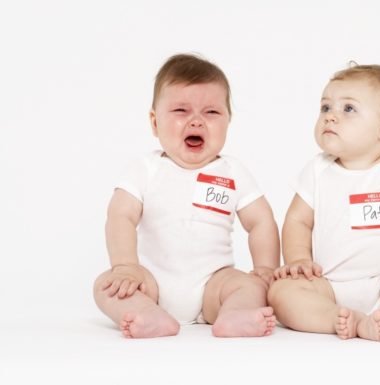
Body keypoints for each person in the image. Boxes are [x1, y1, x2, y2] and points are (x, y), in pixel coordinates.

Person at [93, 54, 280, 338]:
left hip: (213, 285)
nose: (196, 122)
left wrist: (265, 268)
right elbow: (120, 215)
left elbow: (261, 222)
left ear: (228, 122)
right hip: (149, 282)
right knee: (105, 285)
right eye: (181, 111)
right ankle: (146, 313)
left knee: (251, 286)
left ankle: (233, 315)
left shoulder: (233, 171)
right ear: (155, 123)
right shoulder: (146, 169)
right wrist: (126, 267)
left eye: (211, 113)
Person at [267, 64, 380, 341]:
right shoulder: (317, 170)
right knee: (280, 291)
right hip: (328, 286)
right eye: (325, 108)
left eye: (348, 109)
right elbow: (297, 220)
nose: (330, 117)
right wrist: (299, 260)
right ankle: (332, 317)